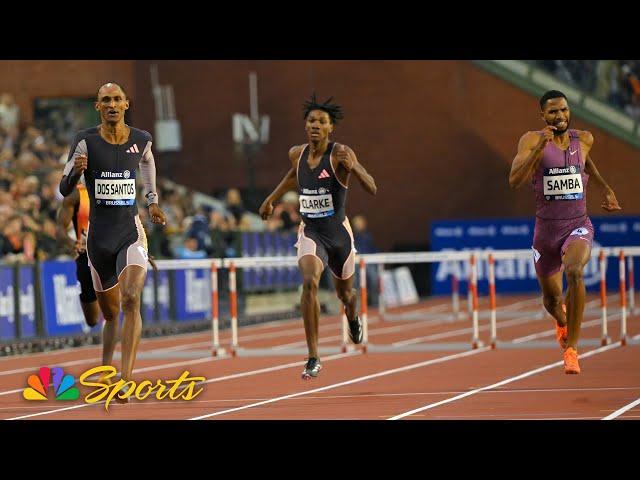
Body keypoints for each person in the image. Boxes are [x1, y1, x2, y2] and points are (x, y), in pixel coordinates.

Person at [259, 94, 377, 379]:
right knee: (309, 282)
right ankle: (313, 356)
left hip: (339, 235)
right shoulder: (296, 154)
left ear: (330, 128)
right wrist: (271, 198)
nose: (315, 125)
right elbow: (292, 176)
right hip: (311, 231)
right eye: (312, 120)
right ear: (305, 125)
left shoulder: (340, 154)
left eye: (322, 122)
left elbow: (372, 187)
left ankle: (352, 316)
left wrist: (356, 166)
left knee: (345, 294)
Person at [59, 83, 166, 396]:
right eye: (105, 100)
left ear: (126, 104)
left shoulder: (141, 139)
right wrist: (76, 174)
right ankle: (107, 367)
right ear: (97, 106)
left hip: (129, 233)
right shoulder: (84, 141)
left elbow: (147, 162)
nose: (112, 104)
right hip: (98, 239)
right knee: (109, 315)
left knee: (132, 297)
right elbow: (64, 188)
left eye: (117, 99)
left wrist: (153, 199)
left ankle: (126, 378)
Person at [509, 90, 621, 374]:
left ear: (569, 111)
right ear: (543, 116)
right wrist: (538, 150)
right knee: (553, 301)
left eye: (564, 110)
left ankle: (571, 349)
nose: (560, 116)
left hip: (577, 225)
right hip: (545, 232)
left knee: (574, 271)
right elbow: (514, 180)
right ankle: (561, 321)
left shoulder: (584, 139)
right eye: (553, 112)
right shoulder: (532, 140)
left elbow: (586, 162)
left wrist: (605, 188)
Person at [56, 178, 101, 329]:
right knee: (92, 320)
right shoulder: (76, 195)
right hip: (86, 256)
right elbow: (60, 229)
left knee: (113, 310)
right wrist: (72, 243)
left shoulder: (116, 190)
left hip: (110, 254)